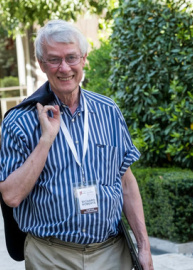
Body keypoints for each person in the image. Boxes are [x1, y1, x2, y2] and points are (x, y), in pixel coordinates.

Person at [0, 19, 153, 270]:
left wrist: (144, 248)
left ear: (84, 59)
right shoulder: (20, 120)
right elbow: (12, 196)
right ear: (41, 64)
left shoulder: (108, 111)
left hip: (112, 253)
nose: (64, 68)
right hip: (50, 256)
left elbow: (126, 183)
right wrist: (46, 140)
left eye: (71, 57)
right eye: (54, 59)